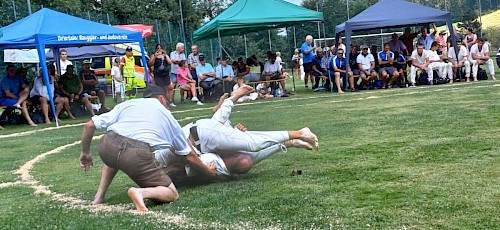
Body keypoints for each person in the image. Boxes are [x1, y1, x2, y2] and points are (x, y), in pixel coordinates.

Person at [79, 86, 217, 212]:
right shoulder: (167, 115)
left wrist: (85, 153)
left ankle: (99, 197)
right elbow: (188, 155)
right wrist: (207, 171)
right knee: (172, 193)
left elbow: (89, 126)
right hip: (136, 153)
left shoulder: (128, 104)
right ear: (162, 99)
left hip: (107, 144)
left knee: (114, 156)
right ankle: (140, 193)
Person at [157, 90, 318, 183]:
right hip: (206, 141)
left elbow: (185, 151)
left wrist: (205, 171)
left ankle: (299, 133)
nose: (168, 177)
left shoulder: (159, 158)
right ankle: (289, 141)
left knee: (251, 144)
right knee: (244, 158)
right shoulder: (178, 171)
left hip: (201, 135)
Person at [170, 43, 187, 107]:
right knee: (173, 86)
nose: (183, 49)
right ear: (178, 48)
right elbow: (173, 61)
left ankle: (182, 99)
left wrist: (178, 61)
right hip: (174, 72)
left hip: (182, 73)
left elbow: (184, 63)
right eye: (182, 47)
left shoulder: (183, 54)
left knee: (182, 86)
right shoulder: (172, 53)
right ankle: (171, 100)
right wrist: (180, 62)